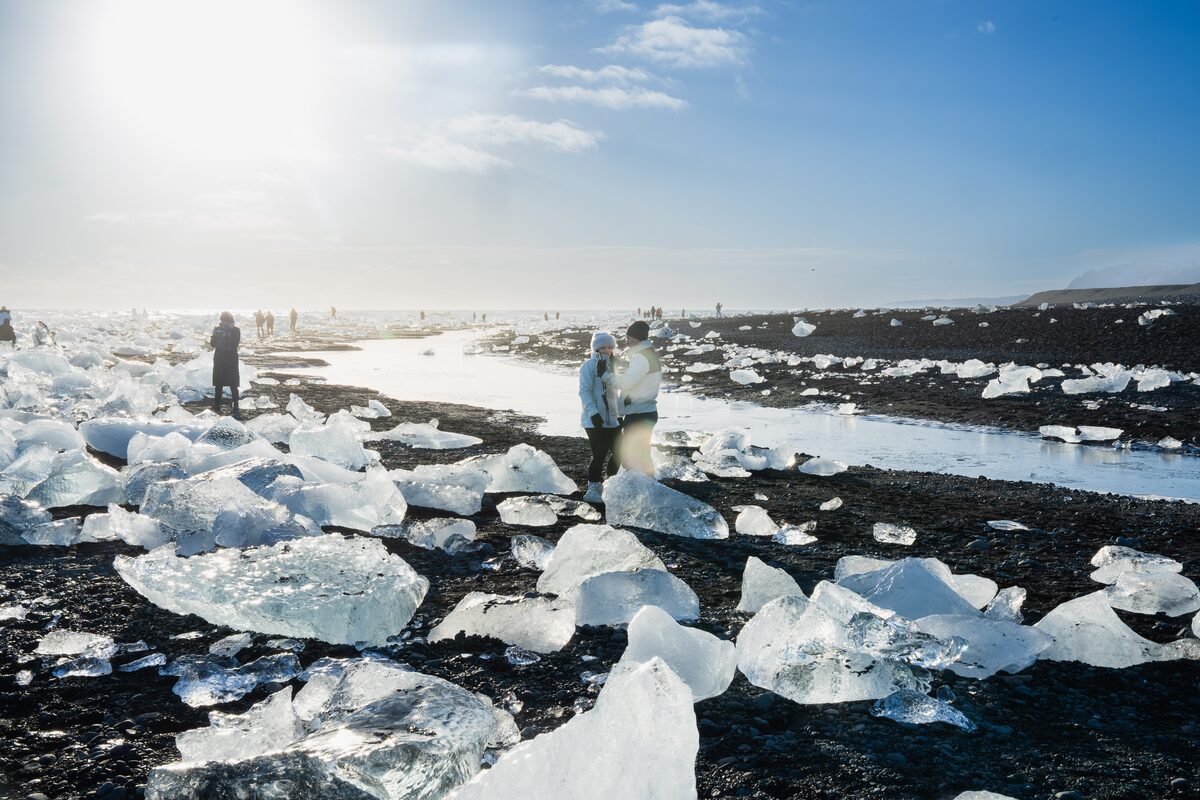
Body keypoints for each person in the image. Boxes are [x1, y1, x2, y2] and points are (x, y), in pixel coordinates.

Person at [579, 331, 622, 502]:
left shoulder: (614, 366)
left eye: (610, 347)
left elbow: (615, 394)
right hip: (593, 419)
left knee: (620, 452)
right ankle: (593, 488)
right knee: (600, 453)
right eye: (603, 347)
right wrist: (593, 413)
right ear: (596, 348)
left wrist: (619, 414)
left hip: (612, 419)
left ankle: (609, 485)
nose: (607, 350)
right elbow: (584, 391)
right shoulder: (588, 366)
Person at [614, 320, 661, 476]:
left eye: (629, 337)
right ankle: (648, 485)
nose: (626, 340)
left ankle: (645, 489)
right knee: (640, 454)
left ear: (637, 338)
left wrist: (609, 377)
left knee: (632, 457)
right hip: (645, 410)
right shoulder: (647, 354)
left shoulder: (641, 357)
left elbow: (628, 382)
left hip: (639, 413)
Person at [210, 311, 242, 418]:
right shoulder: (218, 330)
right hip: (219, 359)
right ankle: (216, 405)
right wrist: (216, 336)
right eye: (222, 321)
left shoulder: (236, 330)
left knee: (233, 383)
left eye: (225, 321)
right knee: (218, 383)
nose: (223, 323)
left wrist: (226, 336)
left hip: (231, 359)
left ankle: (236, 406)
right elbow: (212, 344)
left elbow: (235, 344)